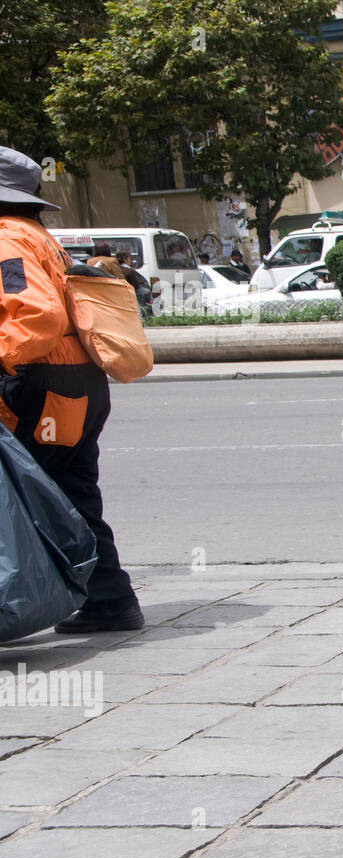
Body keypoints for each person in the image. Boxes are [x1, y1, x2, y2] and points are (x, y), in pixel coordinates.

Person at [0, 146, 143, 632]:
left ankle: (28, 600)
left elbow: (35, 317)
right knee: (69, 491)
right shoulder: (38, 236)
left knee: (30, 492)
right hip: (76, 381)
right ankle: (108, 599)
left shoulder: (6, 239)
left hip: (39, 384)